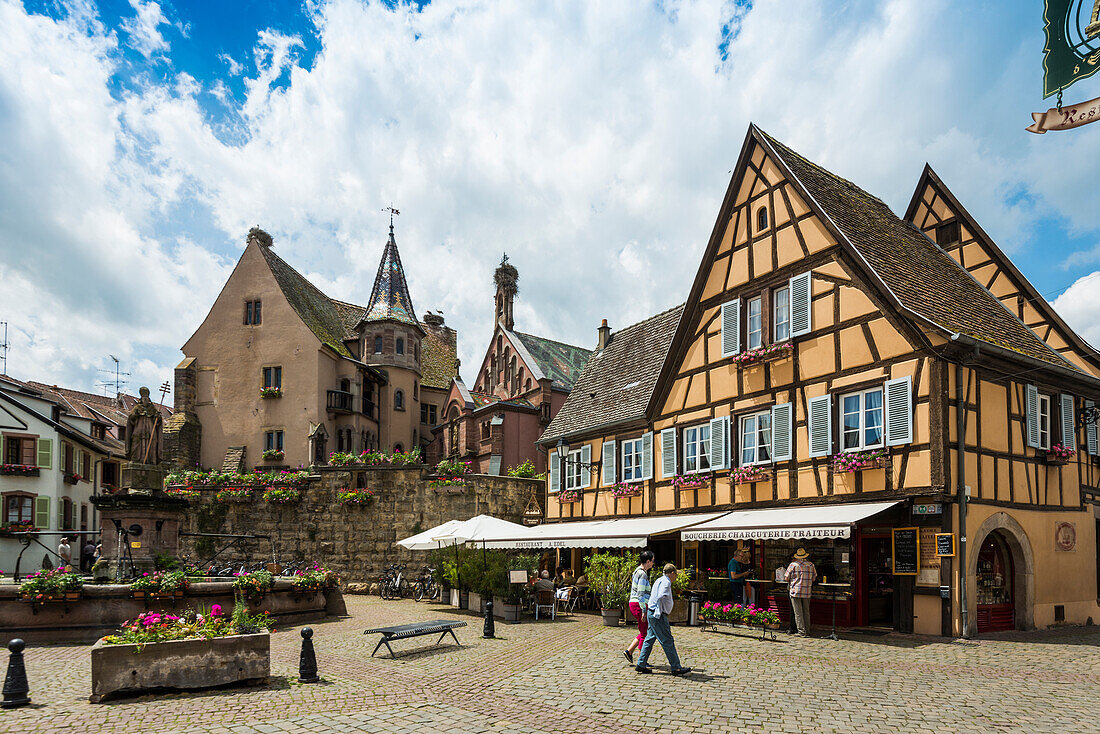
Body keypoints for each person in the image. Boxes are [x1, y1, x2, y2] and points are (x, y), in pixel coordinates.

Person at [635, 563, 691, 676]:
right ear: (672, 573)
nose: (676, 577)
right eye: (676, 575)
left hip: (652, 612)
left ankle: (641, 664)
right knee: (667, 640)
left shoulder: (659, 579)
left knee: (649, 638)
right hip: (658, 615)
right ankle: (676, 667)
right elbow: (661, 595)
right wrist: (659, 610)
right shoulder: (666, 582)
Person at [624, 550, 655, 664]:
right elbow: (641, 594)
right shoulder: (642, 574)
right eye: (652, 561)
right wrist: (644, 610)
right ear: (647, 561)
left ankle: (629, 651)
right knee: (645, 633)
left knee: (644, 630)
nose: (653, 563)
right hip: (639, 604)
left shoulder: (637, 571)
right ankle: (642, 661)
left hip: (635, 603)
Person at [785, 547, 818, 637]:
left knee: (798, 612)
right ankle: (807, 630)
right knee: (806, 612)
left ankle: (801, 631)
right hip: (807, 591)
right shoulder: (811, 565)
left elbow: (786, 578)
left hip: (796, 591)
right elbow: (814, 578)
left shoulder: (793, 565)